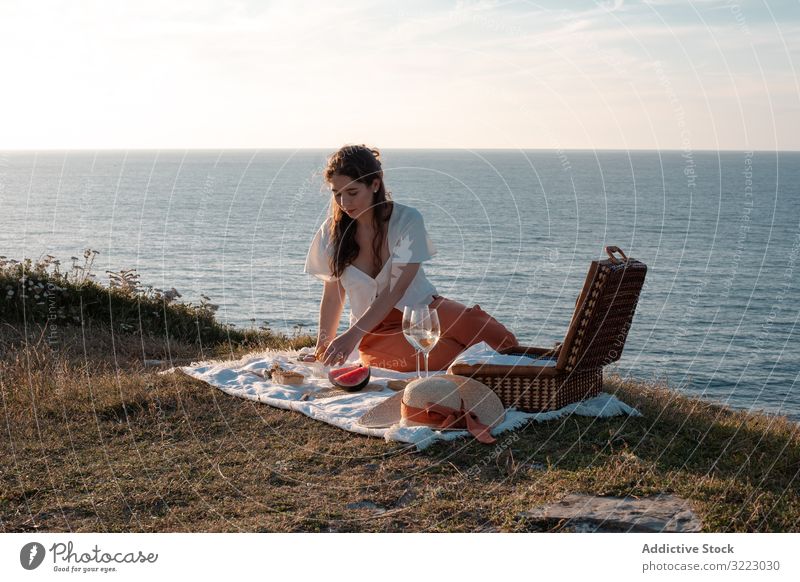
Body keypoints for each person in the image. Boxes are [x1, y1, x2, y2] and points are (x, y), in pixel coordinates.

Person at [302, 144, 518, 372]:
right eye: (337, 194)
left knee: (496, 337)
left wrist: (350, 335)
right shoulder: (332, 233)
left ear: (375, 184)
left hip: (423, 311)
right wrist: (323, 348)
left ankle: (532, 373)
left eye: (352, 192)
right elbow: (333, 298)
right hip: (373, 332)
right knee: (445, 356)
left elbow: (395, 290)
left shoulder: (407, 220)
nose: (344, 203)